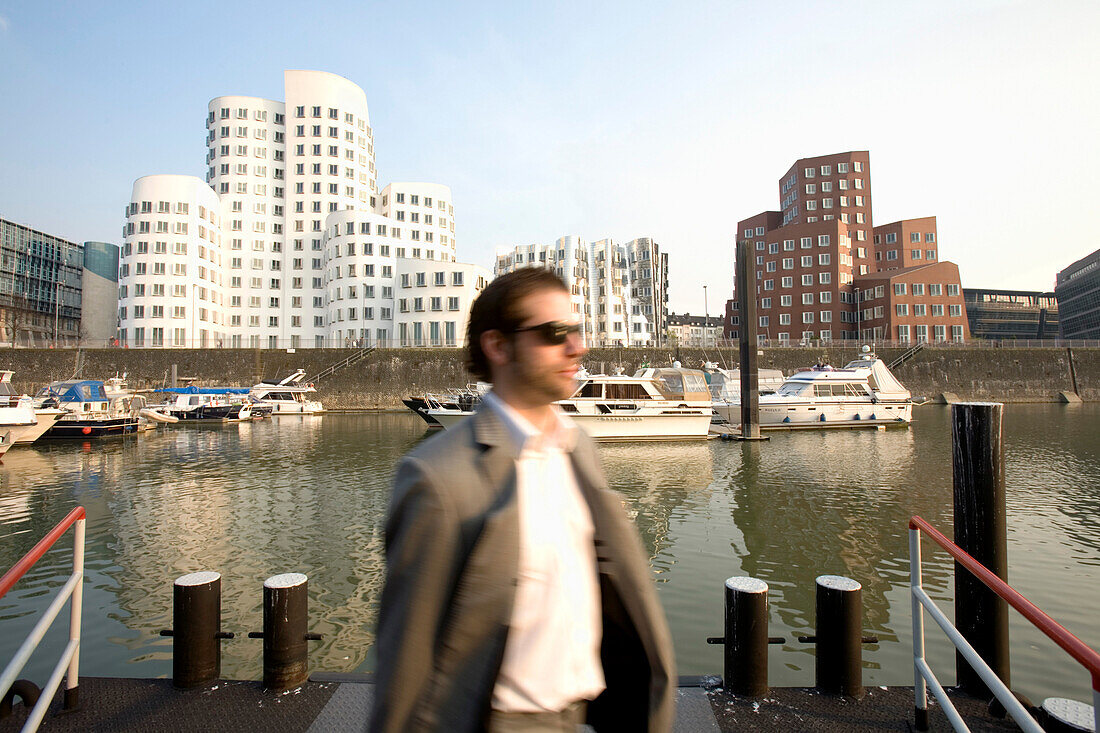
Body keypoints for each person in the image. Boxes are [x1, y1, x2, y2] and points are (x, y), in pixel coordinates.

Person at [370, 268, 675, 733]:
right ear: (498, 346)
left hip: (585, 717)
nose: (577, 347)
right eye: (555, 334)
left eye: (576, 330)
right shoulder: (436, 478)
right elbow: (407, 662)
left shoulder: (578, 448)